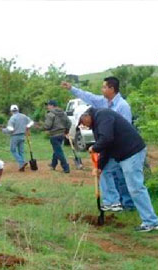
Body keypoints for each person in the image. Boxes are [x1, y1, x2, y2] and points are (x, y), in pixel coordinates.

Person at [80, 108, 158, 232]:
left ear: (86, 115)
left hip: (131, 153)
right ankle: (113, 202)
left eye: (82, 122)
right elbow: (106, 148)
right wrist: (99, 167)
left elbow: (107, 139)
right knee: (105, 170)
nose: (84, 125)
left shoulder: (103, 115)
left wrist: (94, 148)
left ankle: (151, 222)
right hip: (120, 154)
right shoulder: (96, 123)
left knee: (135, 188)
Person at [61, 77, 134, 211]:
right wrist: (72, 88)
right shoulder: (103, 102)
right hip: (109, 145)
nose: (102, 90)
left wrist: (99, 148)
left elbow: (126, 130)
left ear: (112, 89)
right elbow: (88, 96)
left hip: (122, 147)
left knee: (121, 176)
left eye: (104, 87)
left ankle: (126, 204)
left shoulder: (122, 106)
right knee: (110, 172)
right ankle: (117, 203)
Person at [2, 104, 34, 172]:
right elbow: (31, 122)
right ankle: (21, 166)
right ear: (18, 110)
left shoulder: (12, 118)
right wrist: (27, 126)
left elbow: (10, 129)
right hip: (22, 135)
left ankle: (21, 162)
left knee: (13, 150)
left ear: (11, 111)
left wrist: (3, 130)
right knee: (21, 151)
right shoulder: (24, 116)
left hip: (15, 136)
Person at [43, 100, 71, 173]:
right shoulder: (63, 113)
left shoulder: (50, 114)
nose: (47, 107)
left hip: (54, 135)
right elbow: (69, 123)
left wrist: (42, 127)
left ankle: (66, 167)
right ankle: (53, 164)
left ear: (52, 105)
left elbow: (47, 126)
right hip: (62, 134)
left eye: (48, 105)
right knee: (57, 149)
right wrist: (66, 131)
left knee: (58, 151)